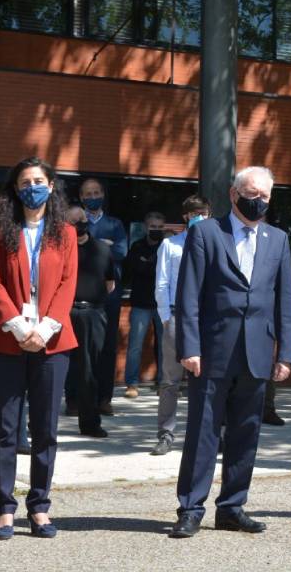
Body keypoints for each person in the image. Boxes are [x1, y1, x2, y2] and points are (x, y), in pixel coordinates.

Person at [170, 166, 291, 539]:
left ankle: (232, 507)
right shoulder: (205, 233)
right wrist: (188, 347)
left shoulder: (278, 240)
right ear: (233, 193)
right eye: (251, 194)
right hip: (211, 351)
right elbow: (188, 294)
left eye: (264, 197)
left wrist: (286, 353)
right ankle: (191, 508)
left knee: (246, 433)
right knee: (202, 433)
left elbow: (284, 300)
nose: (257, 202)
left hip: (257, 352)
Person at [0, 157, 78, 540]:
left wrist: (46, 328)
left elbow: (67, 283)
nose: (32, 187)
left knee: (45, 429)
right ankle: (5, 509)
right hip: (6, 339)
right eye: (25, 181)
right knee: (5, 430)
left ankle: (39, 507)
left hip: (53, 342)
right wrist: (19, 326)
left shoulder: (65, 232)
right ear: (15, 188)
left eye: (39, 180)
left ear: (51, 186)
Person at [152, 195, 211, 456]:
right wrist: (165, 317)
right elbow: (162, 283)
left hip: (207, 317)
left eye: (203, 212)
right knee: (170, 380)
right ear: (186, 216)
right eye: (194, 212)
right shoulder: (171, 245)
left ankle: (206, 434)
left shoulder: (216, 244)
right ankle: (166, 434)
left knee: (208, 378)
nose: (198, 216)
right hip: (176, 316)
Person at [66, 205, 115, 438]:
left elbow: (110, 283)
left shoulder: (102, 250)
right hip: (62, 312)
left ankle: (89, 423)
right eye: (73, 221)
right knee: (52, 368)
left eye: (82, 219)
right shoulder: (60, 249)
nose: (79, 224)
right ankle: (38, 423)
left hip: (92, 313)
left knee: (89, 371)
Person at [80, 178, 126, 415]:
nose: (92, 196)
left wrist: (94, 246)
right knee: (79, 348)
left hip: (109, 294)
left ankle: (103, 399)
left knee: (107, 348)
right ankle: (76, 399)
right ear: (81, 197)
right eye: (88, 193)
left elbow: (121, 251)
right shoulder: (78, 221)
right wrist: (103, 246)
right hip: (81, 293)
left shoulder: (114, 224)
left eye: (96, 192)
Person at [123, 212, 165, 398]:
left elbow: (163, 272)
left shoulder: (167, 246)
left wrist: (146, 266)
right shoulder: (137, 246)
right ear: (145, 227)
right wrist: (151, 266)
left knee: (165, 346)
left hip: (163, 303)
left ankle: (164, 383)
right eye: (152, 226)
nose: (155, 230)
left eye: (159, 227)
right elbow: (132, 269)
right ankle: (131, 384)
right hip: (141, 302)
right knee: (135, 345)